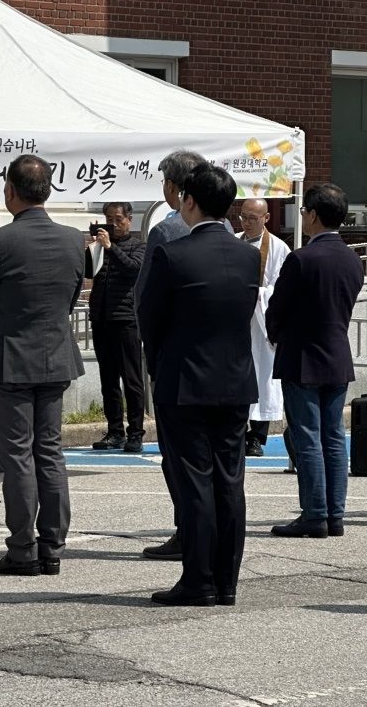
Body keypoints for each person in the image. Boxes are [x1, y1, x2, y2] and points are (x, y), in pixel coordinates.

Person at [138, 163, 259, 606]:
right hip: (235, 379)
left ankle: (199, 580)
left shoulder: (174, 254)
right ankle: (226, 581)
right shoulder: (249, 255)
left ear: (189, 200)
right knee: (229, 480)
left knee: (195, 481)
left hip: (185, 380)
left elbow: (149, 318)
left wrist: (160, 364)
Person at [0, 154, 85, 576]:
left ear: (10, 191)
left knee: (17, 455)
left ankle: (22, 548)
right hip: (55, 355)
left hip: (9, 358)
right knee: (49, 451)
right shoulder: (73, 240)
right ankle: (52, 546)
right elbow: (71, 298)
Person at [265, 183, 363, 539]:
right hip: (337, 355)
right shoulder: (352, 259)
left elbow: (277, 309)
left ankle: (314, 514)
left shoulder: (301, 259)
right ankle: (335, 514)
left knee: (307, 437)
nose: (303, 217)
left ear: (315, 215)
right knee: (334, 437)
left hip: (302, 356)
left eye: (305, 211)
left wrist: (275, 334)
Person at [136, 149, 204, 562]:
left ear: (176, 188)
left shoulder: (167, 230)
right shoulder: (225, 229)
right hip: (220, 361)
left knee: (178, 454)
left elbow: (146, 297)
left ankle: (186, 531)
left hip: (174, 356)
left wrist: (151, 351)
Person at [87, 202, 146, 452]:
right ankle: (114, 431)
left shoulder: (139, 245)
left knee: (131, 379)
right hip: (101, 318)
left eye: (118, 219)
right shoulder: (100, 246)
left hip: (126, 319)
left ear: (129, 220)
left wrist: (111, 248)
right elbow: (88, 273)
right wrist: (92, 250)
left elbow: (133, 269)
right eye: (109, 219)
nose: (114, 224)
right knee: (108, 379)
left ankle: (136, 432)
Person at [236, 198, 290, 457]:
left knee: (262, 377)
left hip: (261, 322)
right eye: (244, 217)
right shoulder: (234, 242)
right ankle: (237, 431)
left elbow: (281, 288)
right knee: (236, 375)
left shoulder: (279, 248)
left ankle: (257, 436)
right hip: (237, 321)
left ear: (266, 218)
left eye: (252, 218)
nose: (246, 223)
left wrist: (258, 293)